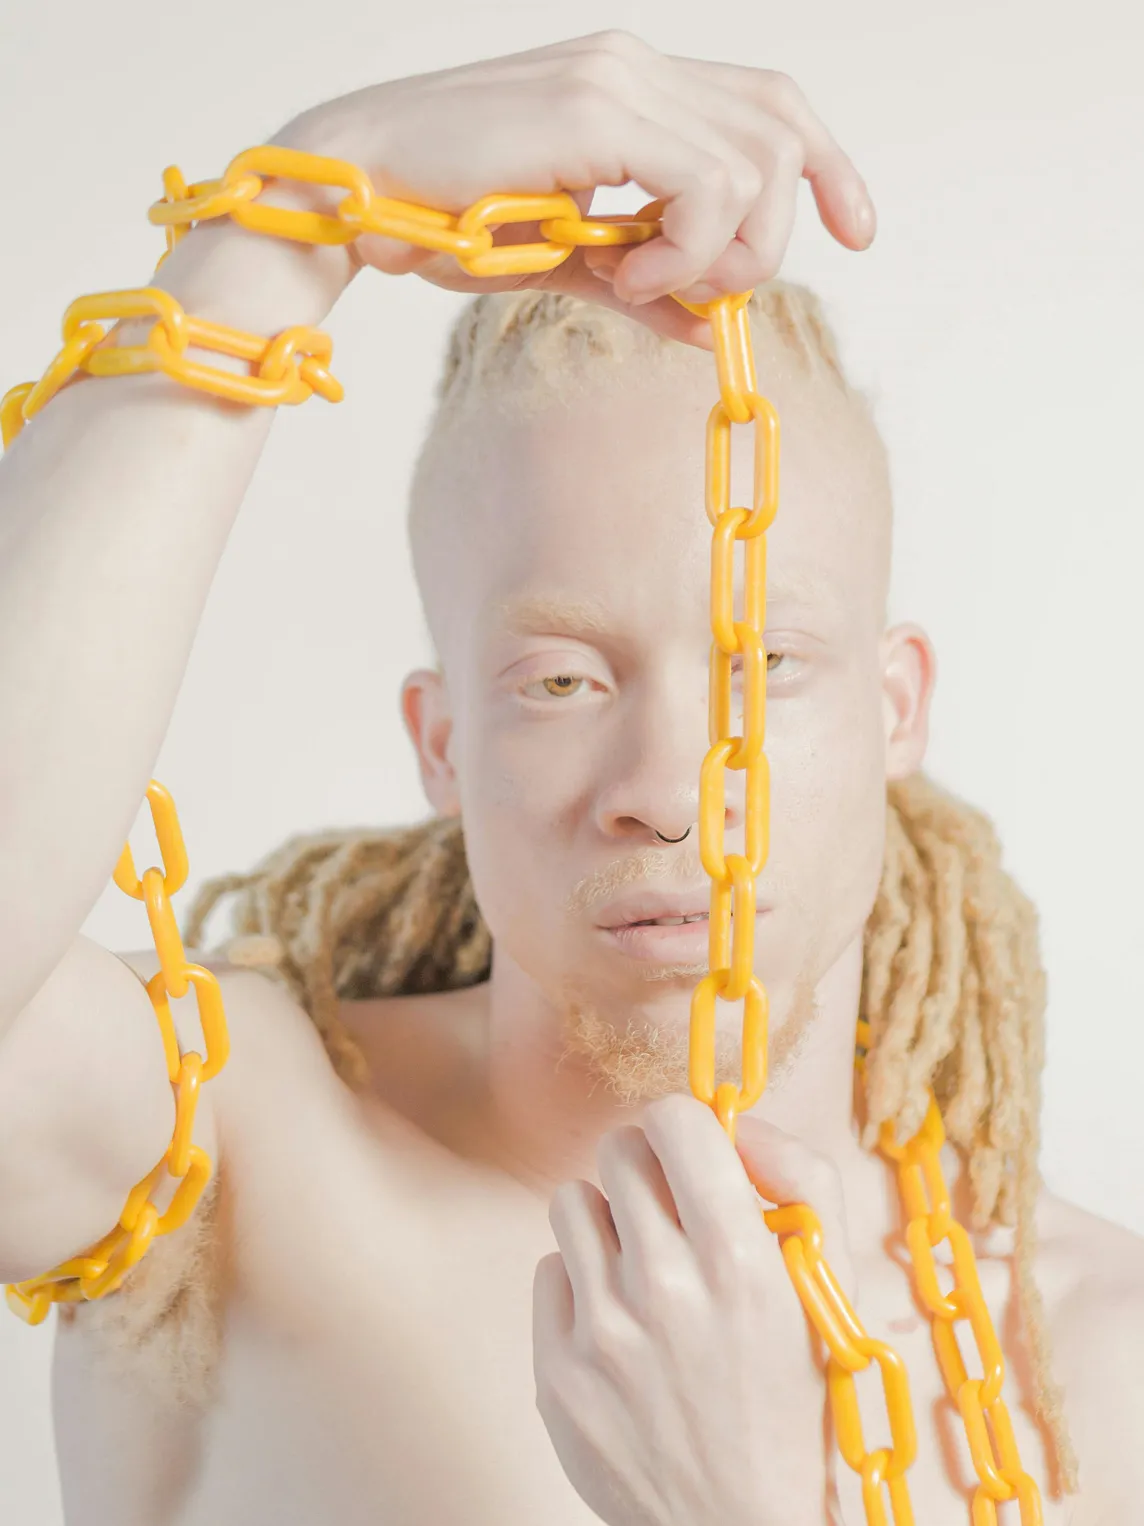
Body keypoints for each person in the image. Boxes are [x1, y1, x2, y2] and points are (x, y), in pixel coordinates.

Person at [0, 28, 1140, 1526]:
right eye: (562, 681)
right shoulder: (226, 1160)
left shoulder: (1098, 1356)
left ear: (895, 704)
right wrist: (293, 218)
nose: (668, 789)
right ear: (443, 743)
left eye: (765, 666)